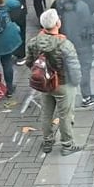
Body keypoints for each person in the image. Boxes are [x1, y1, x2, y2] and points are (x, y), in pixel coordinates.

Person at [25, 8, 82, 156]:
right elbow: (74, 68)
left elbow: (30, 62)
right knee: (65, 115)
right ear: (58, 23)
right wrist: (76, 82)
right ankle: (67, 145)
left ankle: (48, 142)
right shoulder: (65, 45)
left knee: (46, 113)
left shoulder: (34, 42)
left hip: (45, 83)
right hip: (63, 83)